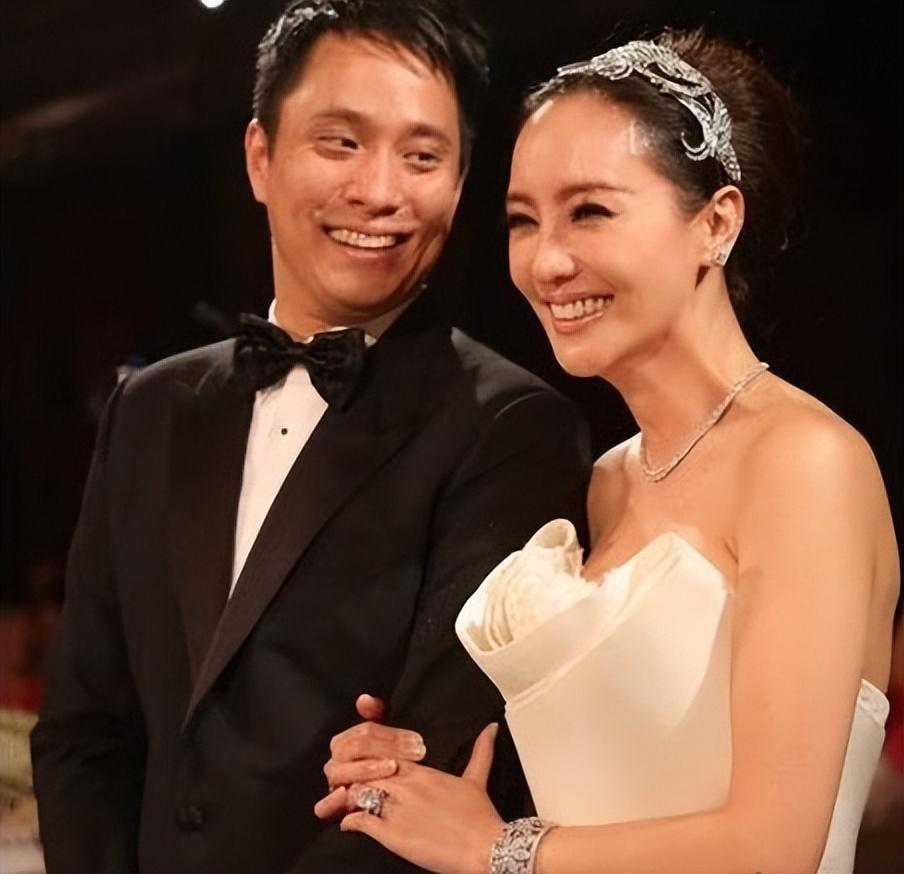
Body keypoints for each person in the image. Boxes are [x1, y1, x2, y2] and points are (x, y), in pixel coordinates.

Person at [317, 27, 900, 874]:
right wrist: (407, 759)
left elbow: (774, 847)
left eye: (590, 211)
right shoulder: (607, 483)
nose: (547, 261)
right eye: (523, 221)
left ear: (716, 223)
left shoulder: (804, 461)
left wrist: (496, 849)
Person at [29, 2, 591, 872]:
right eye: (341, 142)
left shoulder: (511, 428)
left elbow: (440, 764)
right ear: (260, 156)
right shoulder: (151, 406)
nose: (379, 191)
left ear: (460, 179)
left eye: (422, 156)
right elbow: (84, 728)